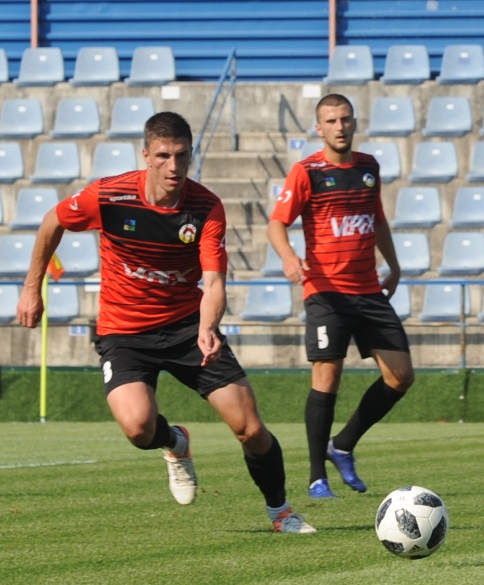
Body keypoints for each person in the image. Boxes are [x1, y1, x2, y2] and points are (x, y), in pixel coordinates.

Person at [17, 111, 315, 534]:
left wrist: (207, 327)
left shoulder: (206, 207)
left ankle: (281, 512)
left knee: (249, 429)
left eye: (182, 155)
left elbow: (214, 281)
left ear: (191, 154)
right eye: (163, 156)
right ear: (146, 155)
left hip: (187, 328)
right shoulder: (109, 196)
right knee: (138, 428)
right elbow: (53, 221)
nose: (173, 166)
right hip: (124, 332)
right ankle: (175, 441)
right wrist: (32, 288)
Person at [267, 93, 414, 499]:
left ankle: (343, 444)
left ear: (354, 122)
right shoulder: (307, 171)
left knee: (401, 376)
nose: (340, 126)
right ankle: (317, 476)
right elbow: (277, 223)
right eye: (331, 121)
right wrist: (289, 257)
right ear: (319, 128)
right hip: (326, 291)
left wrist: (394, 264)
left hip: (368, 289)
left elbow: (377, 219)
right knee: (327, 377)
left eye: (345, 119)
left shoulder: (368, 167)